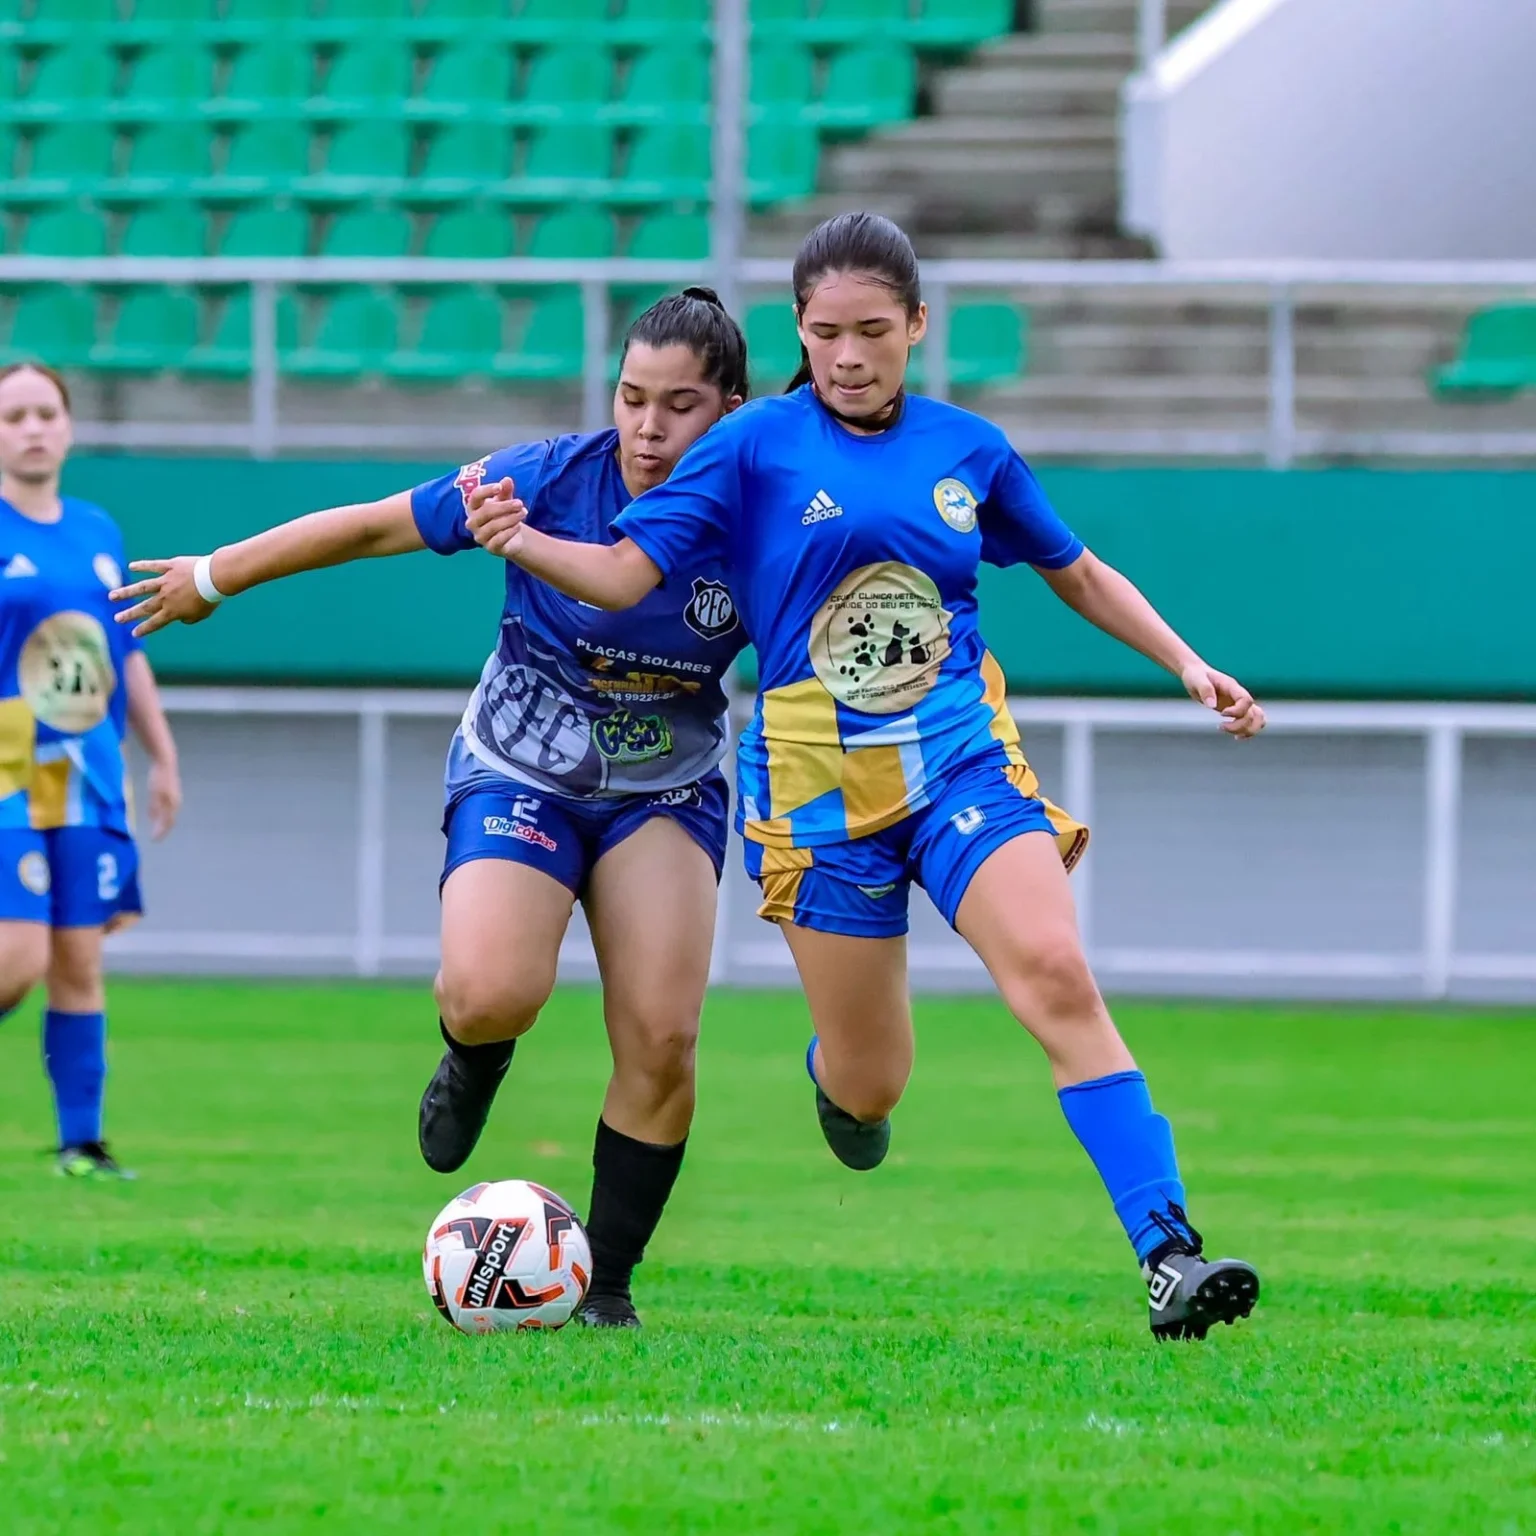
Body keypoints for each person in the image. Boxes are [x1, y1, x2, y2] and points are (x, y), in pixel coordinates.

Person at [462, 214, 1268, 1342]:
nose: (849, 355)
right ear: (797, 329)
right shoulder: (748, 447)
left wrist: (1188, 662)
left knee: (1053, 970)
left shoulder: (969, 448)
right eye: (827, 332)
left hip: (957, 753)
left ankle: (1166, 1254)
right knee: (872, 1080)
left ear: (918, 327)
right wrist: (520, 539)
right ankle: (837, 1078)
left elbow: (1074, 570)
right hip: (814, 780)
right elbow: (621, 567)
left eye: (874, 332)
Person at [112, 289, 751, 1328]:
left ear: (729, 411)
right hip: (523, 768)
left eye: (678, 406)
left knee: (664, 1039)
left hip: (663, 788)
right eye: (632, 397)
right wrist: (212, 577)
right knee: (492, 991)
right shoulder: (545, 478)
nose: (646, 426)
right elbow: (372, 525)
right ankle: (475, 1054)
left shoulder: (755, 516)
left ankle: (610, 1290)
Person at [0, 361, 182, 1178]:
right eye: (15, 416)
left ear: (68, 426)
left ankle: (82, 1143)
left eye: (45, 413)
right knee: (19, 956)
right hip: (6, 758)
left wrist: (162, 756)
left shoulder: (99, 531)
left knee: (79, 958)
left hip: (88, 766)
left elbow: (127, 656)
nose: (32, 428)